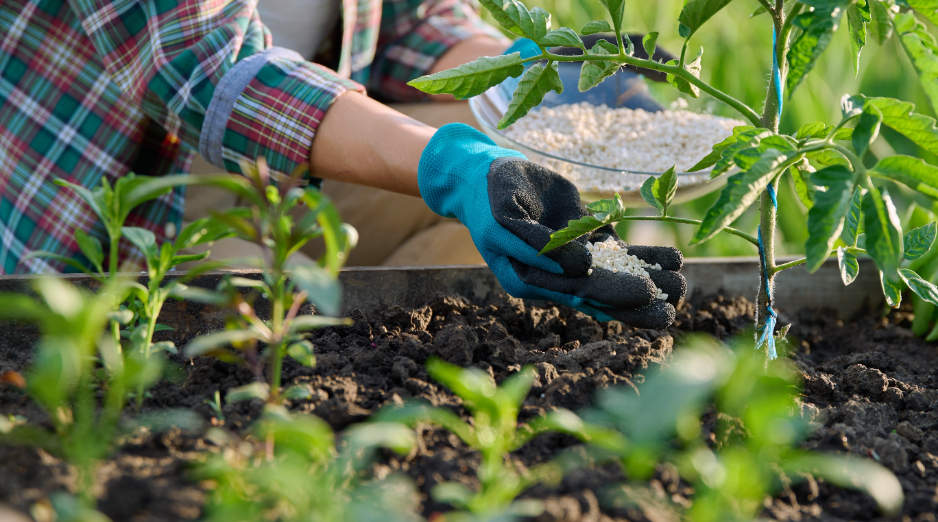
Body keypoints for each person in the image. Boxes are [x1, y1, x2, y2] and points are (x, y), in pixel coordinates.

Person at [0, 1, 685, 329]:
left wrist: (525, 77)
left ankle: (436, 374)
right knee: (253, 321)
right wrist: (450, 165)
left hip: (306, 162)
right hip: (132, 203)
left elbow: (413, 20)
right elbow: (210, 70)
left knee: (556, 185)